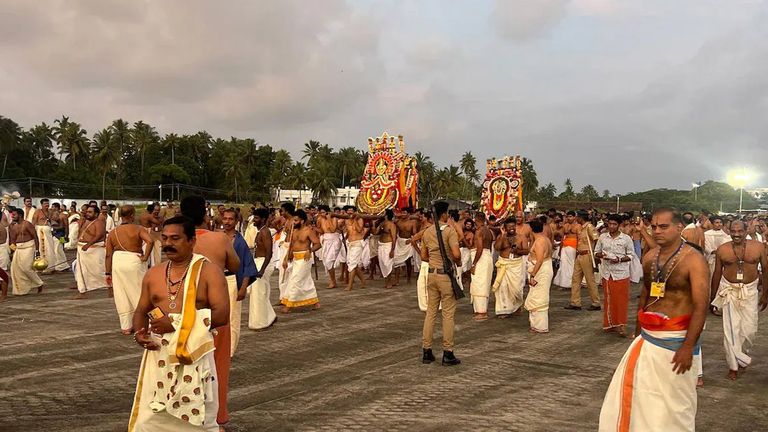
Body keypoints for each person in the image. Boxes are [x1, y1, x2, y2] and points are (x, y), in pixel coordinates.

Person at [599, 208, 708, 431]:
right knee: (643, 399)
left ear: (679, 228)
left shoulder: (694, 260)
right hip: (648, 340)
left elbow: (701, 306)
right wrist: (637, 335)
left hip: (677, 341)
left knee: (676, 405)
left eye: (663, 227)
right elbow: (645, 298)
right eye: (654, 226)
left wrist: (687, 347)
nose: (657, 231)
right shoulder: (649, 258)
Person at [128, 216, 228, 432]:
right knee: (149, 419)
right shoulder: (153, 274)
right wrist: (139, 333)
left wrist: (175, 322)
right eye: (164, 238)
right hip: (158, 354)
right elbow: (140, 311)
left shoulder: (209, 272)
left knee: (198, 418)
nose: (168, 244)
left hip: (194, 353)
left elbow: (222, 315)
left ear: (192, 241)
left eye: (175, 238)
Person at [180, 195, 239, 429]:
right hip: (213, 312)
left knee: (185, 365)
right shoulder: (219, 238)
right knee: (216, 367)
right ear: (205, 214)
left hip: (184, 310)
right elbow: (234, 266)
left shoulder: (178, 239)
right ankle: (216, 418)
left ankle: (185, 415)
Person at [710, 220, 768, 380]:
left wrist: (765, 294)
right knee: (731, 329)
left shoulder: (758, 247)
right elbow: (716, 274)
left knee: (749, 330)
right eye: (733, 231)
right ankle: (733, 366)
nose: (736, 234)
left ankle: (741, 356)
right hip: (729, 291)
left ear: (746, 230)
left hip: (750, 291)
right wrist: (712, 297)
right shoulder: (723, 249)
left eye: (739, 231)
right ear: (728, 231)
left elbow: (766, 269)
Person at [420, 200, 461, 366]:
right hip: (445, 276)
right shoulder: (449, 232)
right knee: (448, 314)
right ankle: (448, 351)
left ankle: (427, 350)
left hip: (431, 274)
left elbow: (423, 256)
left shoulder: (427, 232)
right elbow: (457, 254)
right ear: (444, 214)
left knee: (430, 313)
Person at [105, 205, 153, 334]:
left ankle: (126, 326)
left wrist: (107, 272)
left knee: (121, 293)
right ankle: (145, 325)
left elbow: (108, 254)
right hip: (134, 260)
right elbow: (150, 241)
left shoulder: (112, 232)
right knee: (139, 292)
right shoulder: (138, 229)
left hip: (118, 262)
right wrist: (145, 257)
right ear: (132, 215)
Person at [222, 208, 257, 355]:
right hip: (217, 279)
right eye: (225, 218)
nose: (227, 222)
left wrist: (242, 288)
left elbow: (248, 265)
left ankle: (229, 351)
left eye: (231, 219)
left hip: (232, 280)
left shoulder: (240, 242)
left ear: (236, 222)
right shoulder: (218, 237)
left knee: (232, 316)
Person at [594, 214, 635, 337]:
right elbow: (596, 252)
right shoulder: (602, 237)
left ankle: (621, 325)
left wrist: (619, 259)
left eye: (614, 224)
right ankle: (610, 324)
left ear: (619, 225)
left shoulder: (626, 239)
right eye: (610, 224)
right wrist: (603, 256)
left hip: (621, 273)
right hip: (607, 273)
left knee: (621, 300)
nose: (612, 226)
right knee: (608, 300)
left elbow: (631, 255)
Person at [281, 209, 321, 312]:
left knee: (296, 280)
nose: (294, 222)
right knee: (305, 280)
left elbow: (318, 244)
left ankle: (289, 306)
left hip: (304, 259)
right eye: (294, 220)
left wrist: (310, 250)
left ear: (302, 221)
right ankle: (315, 302)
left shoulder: (309, 231)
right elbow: (291, 246)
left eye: (296, 220)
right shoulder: (294, 231)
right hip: (295, 258)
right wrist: (286, 258)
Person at [492, 217, 528, 318]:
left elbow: (526, 251)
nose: (512, 228)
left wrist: (517, 251)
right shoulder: (502, 236)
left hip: (516, 264)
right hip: (504, 263)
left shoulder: (521, 237)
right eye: (509, 227)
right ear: (505, 228)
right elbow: (497, 248)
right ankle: (504, 310)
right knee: (502, 287)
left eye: (513, 226)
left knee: (517, 289)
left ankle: (517, 306)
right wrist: (503, 236)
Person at [248, 208, 277, 330]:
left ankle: (261, 322)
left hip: (263, 264)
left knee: (259, 294)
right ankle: (270, 316)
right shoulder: (260, 231)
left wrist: (262, 269)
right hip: (258, 262)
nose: (254, 220)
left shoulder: (265, 232)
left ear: (263, 219)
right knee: (259, 292)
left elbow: (269, 252)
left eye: (256, 218)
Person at [566, 211, 601, 311]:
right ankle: (575, 302)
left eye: (578, 217)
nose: (576, 219)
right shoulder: (581, 227)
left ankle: (596, 303)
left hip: (587, 255)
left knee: (590, 280)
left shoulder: (589, 227)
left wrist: (595, 254)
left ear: (581, 218)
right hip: (580, 255)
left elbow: (596, 239)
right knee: (575, 279)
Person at [73, 205, 107, 300]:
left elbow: (99, 235)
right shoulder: (85, 221)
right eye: (87, 212)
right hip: (82, 249)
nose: (87, 213)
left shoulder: (99, 222)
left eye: (90, 212)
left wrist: (88, 245)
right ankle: (82, 291)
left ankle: (110, 288)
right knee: (82, 271)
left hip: (92, 250)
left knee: (99, 271)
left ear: (96, 214)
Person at [525, 219, 553, 333]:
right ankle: (536, 324)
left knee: (539, 297)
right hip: (542, 269)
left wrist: (533, 274)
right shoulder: (544, 239)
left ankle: (540, 326)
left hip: (541, 270)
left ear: (531, 229)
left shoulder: (540, 241)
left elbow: (540, 260)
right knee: (536, 295)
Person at [8, 207, 44, 295]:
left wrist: (37, 251)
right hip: (18, 249)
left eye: (14, 215)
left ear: (20, 215)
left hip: (29, 247)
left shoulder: (27, 224)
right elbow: (12, 240)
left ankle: (39, 283)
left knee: (26, 268)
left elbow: (35, 237)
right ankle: (22, 290)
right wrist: (12, 252)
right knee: (14, 269)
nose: (12, 216)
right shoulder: (13, 226)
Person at [469, 212, 494, 321]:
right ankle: (481, 310)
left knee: (479, 284)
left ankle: (481, 312)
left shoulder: (479, 231)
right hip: (487, 257)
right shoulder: (489, 231)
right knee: (484, 283)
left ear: (476, 219)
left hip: (481, 258)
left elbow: (479, 248)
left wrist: (474, 264)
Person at [32, 198, 66, 274]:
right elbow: (33, 222)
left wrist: (56, 212)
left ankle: (50, 267)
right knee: (41, 248)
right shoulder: (37, 211)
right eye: (45, 204)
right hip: (40, 232)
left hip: (49, 233)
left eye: (48, 203)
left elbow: (57, 220)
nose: (47, 205)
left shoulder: (50, 212)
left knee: (50, 249)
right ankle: (40, 267)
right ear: (41, 205)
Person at [317, 205, 342, 289]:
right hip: (326, 240)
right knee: (326, 262)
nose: (322, 214)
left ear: (328, 212)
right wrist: (314, 228)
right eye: (320, 213)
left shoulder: (334, 218)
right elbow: (321, 231)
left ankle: (333, 281)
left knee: (329, 261)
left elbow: (332, 230)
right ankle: (332, 280)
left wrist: (328, 219)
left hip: (334, 240)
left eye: (323, 212)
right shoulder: (320, 219)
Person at [553, 211, 578, 288]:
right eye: (567, 217)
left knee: (571, 265)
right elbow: (563, 238)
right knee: (563, 265)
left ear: (574, 217)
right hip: (564, 246)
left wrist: (578, 250)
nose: (568, 218)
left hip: (573, 246)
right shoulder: (565, 226)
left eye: (570, 216)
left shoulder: (578, 226)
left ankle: (571, 284)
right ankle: (564, 284)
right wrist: (560, 250)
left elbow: (580, 238)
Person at [394, 208, 418, 284]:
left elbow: (415, 234)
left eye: (405, 213)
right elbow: (394, 232)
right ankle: (396, 280)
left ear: (408, 214)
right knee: (396, 261)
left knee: (408, 262)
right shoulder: (397, 222)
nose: (403, 214)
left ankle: (409, 279)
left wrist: (411, 240)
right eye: (402, 212)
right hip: (400, 242)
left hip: (408, 242)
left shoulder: (412, 222)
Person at [375, 209, 398, 289]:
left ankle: (389, 282)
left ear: (387, 215)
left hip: (388, 245)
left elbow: (394, 237)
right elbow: (375, 232)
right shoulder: (381, 223)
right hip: (381, 245)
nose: (382, 214)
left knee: (387, 264)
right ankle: (386, 281)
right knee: (382, 263)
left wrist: (392, 250)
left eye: (383, 213)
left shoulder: (392, 225)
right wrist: (376, 223)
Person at [140, 203, 164, 267]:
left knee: (145, 249)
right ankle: (150, 264)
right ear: (152, 210)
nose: (156, 212)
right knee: (148, 249)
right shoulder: (149, 216)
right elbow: (157, 222)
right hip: (147, 232)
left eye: (158, 210)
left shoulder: (143, 215)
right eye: (155, 210)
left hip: (144, 232)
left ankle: (147, 263)